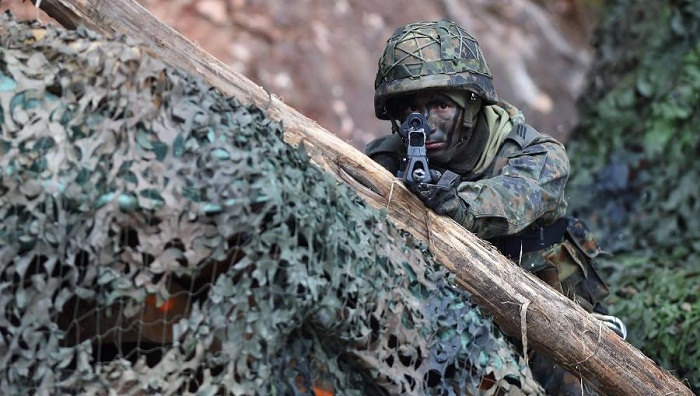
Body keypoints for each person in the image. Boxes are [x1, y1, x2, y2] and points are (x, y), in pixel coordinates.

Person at [365, 19, 625, 395]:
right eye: (410, 109)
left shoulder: (536, 155)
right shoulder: (387, 158)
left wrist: (455, 203)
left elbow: (512, 200)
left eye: (440, 104)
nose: (424, 124)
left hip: (550, 319)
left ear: (472, 103)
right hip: (444, 318)